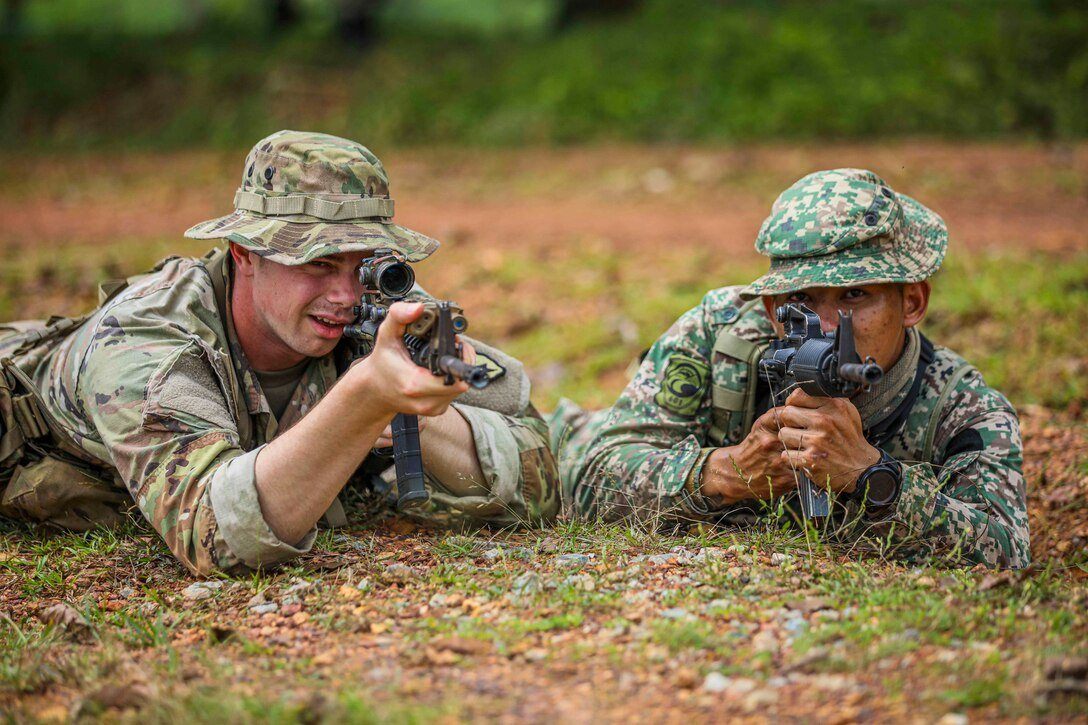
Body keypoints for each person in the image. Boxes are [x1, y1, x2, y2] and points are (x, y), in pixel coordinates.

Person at [0, 130, 560, 575]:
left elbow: (539, 474)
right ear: (245, 254)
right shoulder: (148, 339)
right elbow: (214, 536)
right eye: (317, 263)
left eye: (364, 265)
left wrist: (421, 415)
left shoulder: (382, 310)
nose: (344, 296)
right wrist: (366, 398)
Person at [550, 168, 1028, 568]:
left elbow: (1005, 549)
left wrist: (873, 479)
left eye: (854, 295)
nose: (825, 326)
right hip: (562, 441)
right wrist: (724, 473)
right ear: (769, 305)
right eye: (801, 300)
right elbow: (594, 473)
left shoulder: (960, 407)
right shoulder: (721, 332)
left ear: (912, 300)